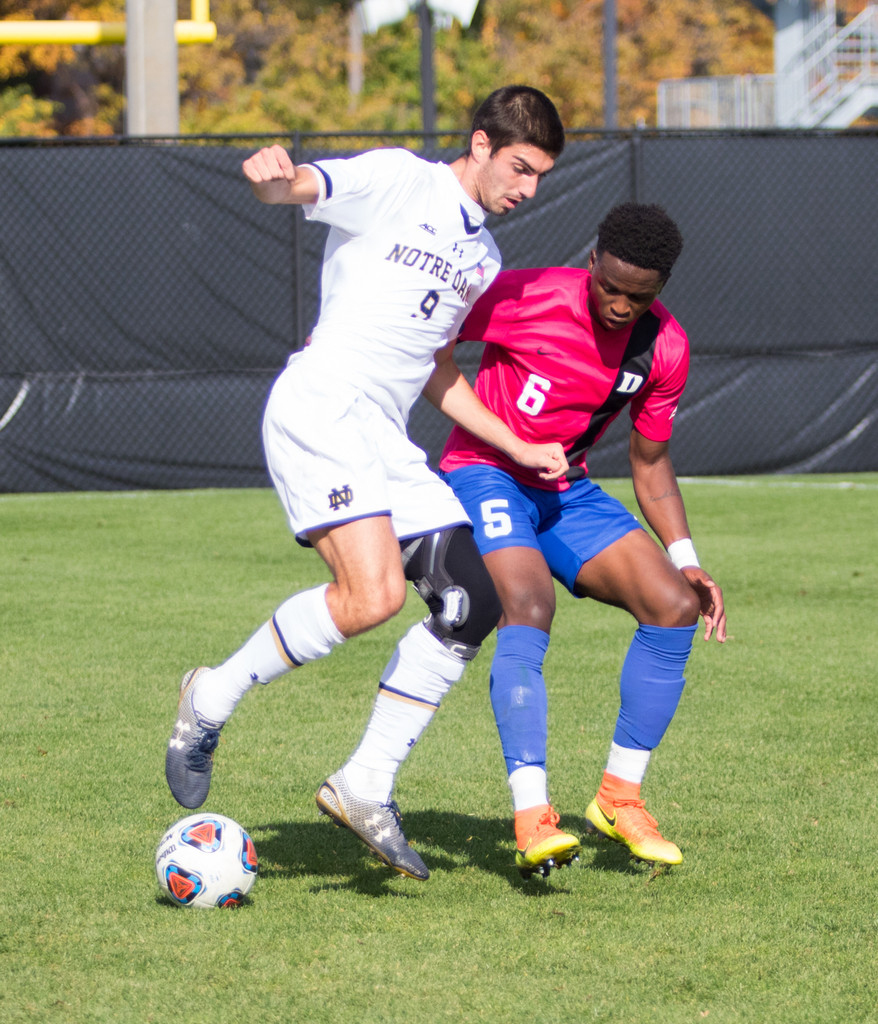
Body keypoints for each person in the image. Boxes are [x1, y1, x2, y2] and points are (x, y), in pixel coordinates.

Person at [164, 86, 567, 882]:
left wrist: (518, 440)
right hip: (323, 407)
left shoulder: (482, 256)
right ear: (481, 144)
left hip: (384, 436)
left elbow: (437, 372)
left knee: (473, 601)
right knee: (373, 597)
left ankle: (365, 783)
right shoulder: (398, 179)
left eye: (542, 176)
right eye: (520, 167)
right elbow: (297, 187)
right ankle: (209, 697)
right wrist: (267, 175)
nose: (528, 188)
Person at [429, 202, 727, 877]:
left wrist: (688, 561)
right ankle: (533, 815)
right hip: (484, 472)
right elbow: (426, 341)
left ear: (661, 290)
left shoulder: (666, 347)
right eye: (610, 287)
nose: (621, 305)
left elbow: (650, 464)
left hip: (566, 488)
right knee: (529, 605)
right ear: (590, 263)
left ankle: (619, 798)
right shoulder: (525, 295)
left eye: (639, 295)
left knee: (673, 606)